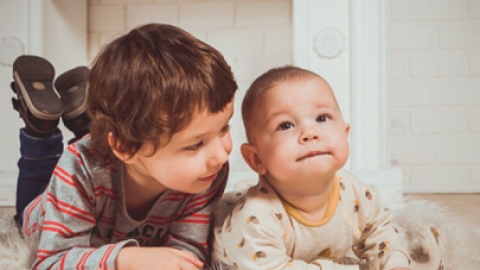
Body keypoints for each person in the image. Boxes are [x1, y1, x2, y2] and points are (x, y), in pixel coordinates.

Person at [11, 23, 237, 270]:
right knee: (27, 208)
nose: (221, 155)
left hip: (106, 166)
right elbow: (49, 263)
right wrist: (123, 259)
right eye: (195, 144)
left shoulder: (207, 174)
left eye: (224, 128)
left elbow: (188, 249)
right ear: (128, 148)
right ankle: (40, 131)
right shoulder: (78, 168)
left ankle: (91, 123)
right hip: (44, 213)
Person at [211, 66, 410, 270]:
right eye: (286, 125)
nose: (310, 132)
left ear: (345, 132)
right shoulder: (255, 218)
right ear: (256, 159)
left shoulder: (355, 193)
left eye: (322, 118)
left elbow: (382, 234)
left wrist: (394, 265)